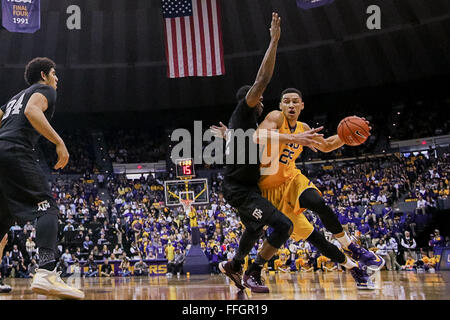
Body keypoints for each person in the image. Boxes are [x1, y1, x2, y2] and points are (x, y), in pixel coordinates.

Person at [214, 12, 330, 293]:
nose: (263, 101)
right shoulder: (244, 112)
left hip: (247, 186)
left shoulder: (244, 124)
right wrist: (274, 41)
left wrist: (229, 135)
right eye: (259, 99)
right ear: (249, 100)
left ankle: (235, 264)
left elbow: (251, 138)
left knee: (255, 228)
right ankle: (254, 272)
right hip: (239, 189)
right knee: (283, 226)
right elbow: (263, 78)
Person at [254, 88, 385, 276]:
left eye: (295, 101)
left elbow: (327, 145)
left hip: (291, 178)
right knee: (316, 239)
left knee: (316, 201)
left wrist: (349, 135)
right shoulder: (275, 118)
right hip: (269, 191)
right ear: (281, 105)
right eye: (287, 101)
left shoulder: (304, 128)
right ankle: (354, 268)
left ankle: (351, 247)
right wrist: (293, 138)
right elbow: (257, 136)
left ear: (301, 105)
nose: (291, 105)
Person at [0, 57, 83, 299]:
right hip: (16, 150)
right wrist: (59, 142)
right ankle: (47, 272)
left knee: (2, 221)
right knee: (47, 208)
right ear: (45, 75)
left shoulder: (14, 98)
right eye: (55, 74)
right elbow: (32, 110)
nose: (57, 79)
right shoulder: (44, 90)